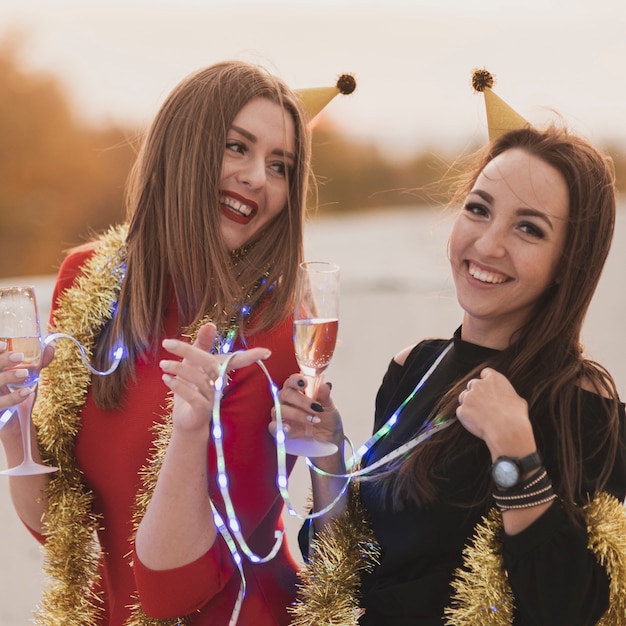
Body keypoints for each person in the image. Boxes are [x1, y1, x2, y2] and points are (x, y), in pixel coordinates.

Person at [0, 61, 355, 625]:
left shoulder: (275, 334)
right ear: (182, 145)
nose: (258, 178)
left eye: (280, 165)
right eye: (237, 148)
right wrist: (14, 419)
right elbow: (58, 527)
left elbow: (177, 590)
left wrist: (191, 427)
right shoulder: (87, 280)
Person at [276, 75, 626, 626]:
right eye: (479, 209)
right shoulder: (413, 367)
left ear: (569, 263)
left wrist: (515, 454)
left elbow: (570, 606)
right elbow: (356, 564)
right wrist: (326, 458)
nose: (488, 244)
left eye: (529, 229)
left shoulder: (588, 411)